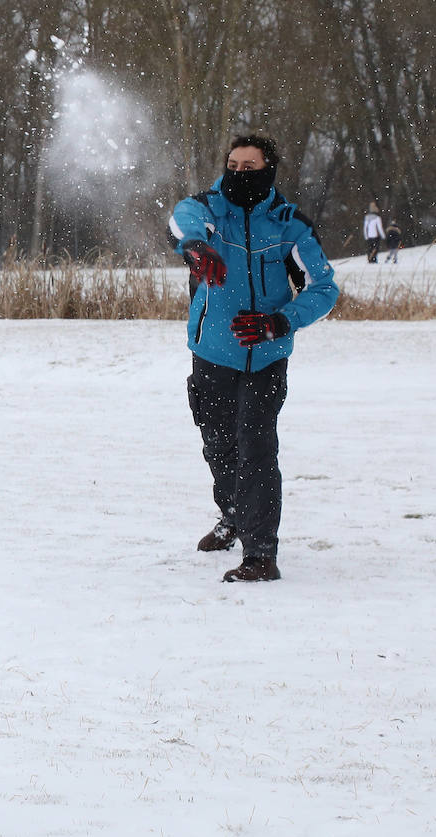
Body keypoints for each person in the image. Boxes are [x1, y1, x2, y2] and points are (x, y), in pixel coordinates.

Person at [166, 134, 339, 582]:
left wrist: (280, 322)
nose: (240, 173)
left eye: (250, 166)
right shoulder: (209, 210)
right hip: (210, 349)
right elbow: (181, 217)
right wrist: (196, 247)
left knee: (257, 450)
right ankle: (232, 516)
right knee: (218, 445)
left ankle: (261, 554)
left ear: (269, 170)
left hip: (265, 356)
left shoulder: (289, 225)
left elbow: (324, 287)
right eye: (233, 165)